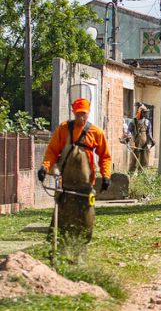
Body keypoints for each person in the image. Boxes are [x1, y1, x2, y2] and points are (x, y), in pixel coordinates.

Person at [37, 98, 112, 244]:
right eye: (78, 114)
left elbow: (105, 157)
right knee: (61, 215)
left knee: (86, 216)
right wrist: (44, 167)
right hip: (66, 184)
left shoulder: (96, 133)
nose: (81, 117)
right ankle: (56, 243)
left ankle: (83, 242)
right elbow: (52, 151)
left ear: (88, 113)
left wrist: (106, 176)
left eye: (84, 114)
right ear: (73, 113)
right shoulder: (64, 129)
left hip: (85, 185)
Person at [127, 104, 155, 174]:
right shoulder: (133, 121)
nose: (145, 114)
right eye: (144, 112)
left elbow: (149, 133)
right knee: (133, 160)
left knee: (144, 160)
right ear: (140, 112)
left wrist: (151, 141)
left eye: (146, 112)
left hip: (144, 143)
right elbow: (129, 131)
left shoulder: (147, 122)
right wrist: (128, 137)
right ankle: (130, 175)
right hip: (135, 143)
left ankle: (142, 175)